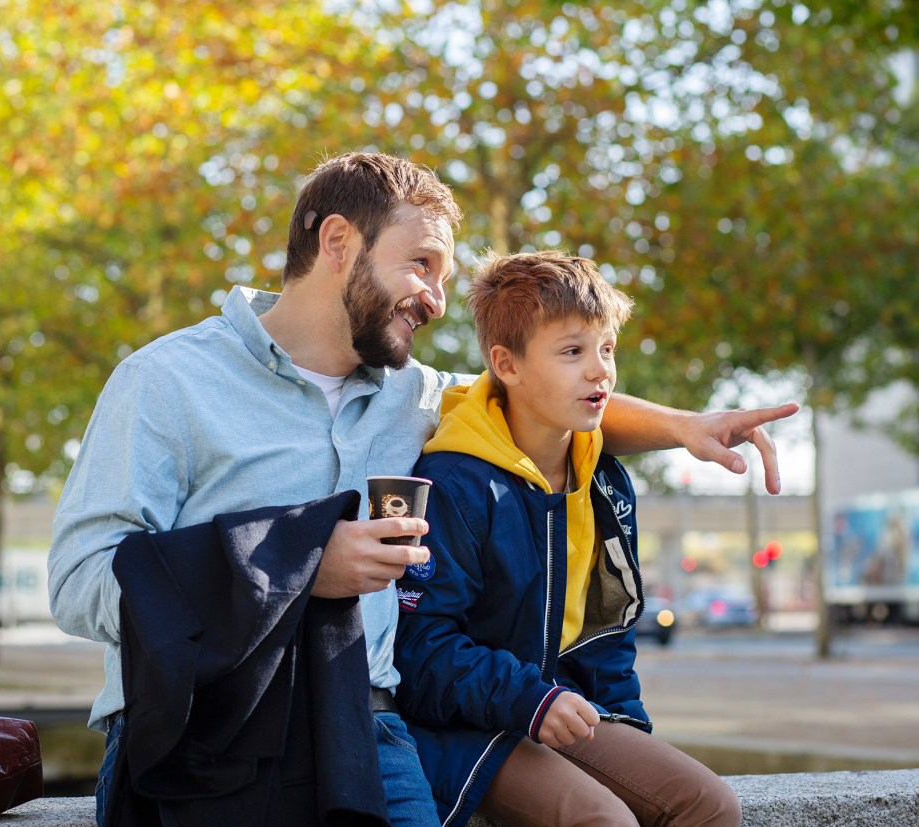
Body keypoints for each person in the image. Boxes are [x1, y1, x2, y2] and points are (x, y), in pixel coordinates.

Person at [48, 152, 796, 826]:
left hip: (367, 729)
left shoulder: (417, 396)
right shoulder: (165, 381)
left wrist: (689, 425)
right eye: (423, 264)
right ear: (339, 243)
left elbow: (539, 394)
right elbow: (80, 584)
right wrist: (300, 568)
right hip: (205, 731)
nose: (437, 299)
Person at [393, 250, 743, 826]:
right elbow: (419, 647)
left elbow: (607, 632)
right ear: (506, 365)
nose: (600, 371)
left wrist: (628, 733)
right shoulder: (455, 483)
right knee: (601, 820)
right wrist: (531, 701)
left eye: (606, 349)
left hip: (565, 711)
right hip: (462, 728)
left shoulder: (603, 479)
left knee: (709, 804)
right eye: (572, 351)